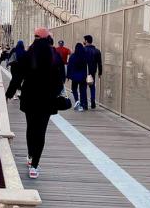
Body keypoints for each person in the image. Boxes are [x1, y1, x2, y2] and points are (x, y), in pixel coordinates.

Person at [5, 27, 65, 179]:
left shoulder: (28, 54)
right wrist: (54, 93)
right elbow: (61, 80)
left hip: (30, 98)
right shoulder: (55, 56)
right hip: (47, 100)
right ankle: (35, 166)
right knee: (41, 131)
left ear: (35, 37)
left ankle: (30, 155)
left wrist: (9, 94)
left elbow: (17, 77)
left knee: (31, 128)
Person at [83, 35, 103, 110]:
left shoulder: (83, 50)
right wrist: (100, 72)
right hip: (93, 71)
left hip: (84, 71)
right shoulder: (97, 51)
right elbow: (99, 63)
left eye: (84, 40)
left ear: (86, 41)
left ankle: (85, 103)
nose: (84, 42)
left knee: (83, 87)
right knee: (92, 86)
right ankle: (93, 101)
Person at [67, 43, 88, 111]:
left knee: (74, 89)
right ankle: (83, 104)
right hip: (83, 76)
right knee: (83, 90)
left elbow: (69, 66)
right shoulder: (84, 56)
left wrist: (68, 75)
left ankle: (77, 100)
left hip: (75, 76)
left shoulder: (73, 56)